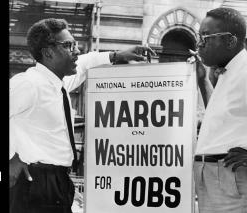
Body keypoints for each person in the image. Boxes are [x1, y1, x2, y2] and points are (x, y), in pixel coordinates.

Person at [9, 18, 154, 213]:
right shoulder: (29, 84)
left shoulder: (58, 85)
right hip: (35, 183)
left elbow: (84, 64)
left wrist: (116, 55)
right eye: (68, 45)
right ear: (48, 52)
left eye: (75, 45)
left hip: (58, 181)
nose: (76, 51)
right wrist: (12, 158)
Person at [193, 7, 247, 213]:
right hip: (217, 181)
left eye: (206, 37)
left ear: (230, 41)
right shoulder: (227, 73)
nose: (199, 44)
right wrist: (203, 81)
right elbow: (225, 119)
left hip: (237, 184)